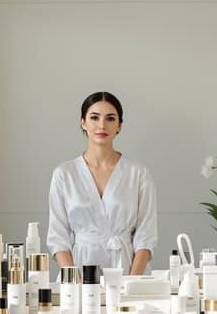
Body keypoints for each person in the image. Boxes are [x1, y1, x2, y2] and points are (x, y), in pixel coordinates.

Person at [47, 91, 158, 274]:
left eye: (110, 119)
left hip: (127, 268)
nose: (102, 125)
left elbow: (146, 235)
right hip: (79, 271)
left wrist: (130, 282)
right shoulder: (64, 174)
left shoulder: (138, 174)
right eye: (94, 117)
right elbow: (58, 237)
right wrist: (75, 282)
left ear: (119, 125)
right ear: (83, 122)